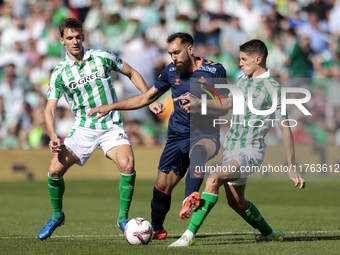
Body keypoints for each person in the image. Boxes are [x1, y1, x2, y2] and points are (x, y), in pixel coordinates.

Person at [88, 32, 230, 240]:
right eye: (170, 53)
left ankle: (189, 198)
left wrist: (201, 104)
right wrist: (112, 106)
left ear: (190, 49)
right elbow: (147, 97)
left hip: (205, 132)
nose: (173, 57)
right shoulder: (170, 71)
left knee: (198, 150)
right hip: (176, 135)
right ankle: (156, 229)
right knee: (162, 186)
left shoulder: (214, 69)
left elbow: (227, 104)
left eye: (177, 52)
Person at [169, 39, 306, 247]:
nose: (240, 63)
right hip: (231, 149)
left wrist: (292, 166)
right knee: (237, 203)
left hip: (251, 151)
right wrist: (200, 103)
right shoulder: (243, 80)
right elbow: (230, 103)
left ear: (257, 59)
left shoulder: (273, 88)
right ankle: (270, 235)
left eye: (244, 59)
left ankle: (187, 237)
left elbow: (284, 126)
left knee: (213, 178)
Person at [37, 18, 162, 240]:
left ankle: (123, 218)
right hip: (83, 128)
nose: (74, 41)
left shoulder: (102, 57)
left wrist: (149, 98)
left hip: (111, 125)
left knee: (128, 164)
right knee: (54, 171)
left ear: (83, 36)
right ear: (61, 41)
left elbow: (131, 72)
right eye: (69, 38)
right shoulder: (59, 73)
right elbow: (49, 109)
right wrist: (54, 135)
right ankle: (57, 215)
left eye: (77, 37)